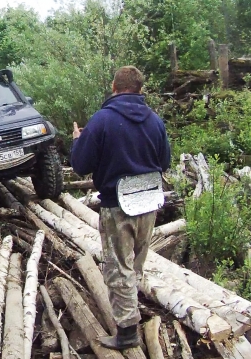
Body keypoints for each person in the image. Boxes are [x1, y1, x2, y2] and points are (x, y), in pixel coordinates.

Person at [70, 66, 171, 350]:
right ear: (140, 89)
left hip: (118, 204)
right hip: (149, 202)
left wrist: (77, 141)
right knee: (135, 264)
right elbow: (164, 162)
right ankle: (131, 314)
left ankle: (127, 333)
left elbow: (80, 165)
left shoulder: (102, 120)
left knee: (118, 268)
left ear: (114, 87)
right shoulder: (154, 120)